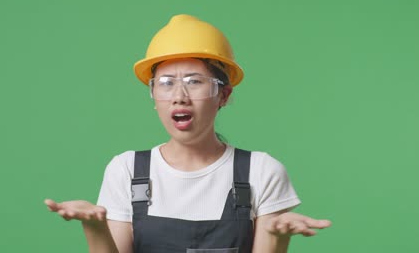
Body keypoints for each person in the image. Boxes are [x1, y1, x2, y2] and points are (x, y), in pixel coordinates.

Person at [45, 14, 331, 253]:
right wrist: (94, 227)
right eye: (166, 83)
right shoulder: (126, 170)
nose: (179, 96)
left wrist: (278, 238)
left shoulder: (262, 171)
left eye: (195, 82)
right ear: (154, 96)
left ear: (224, 94)